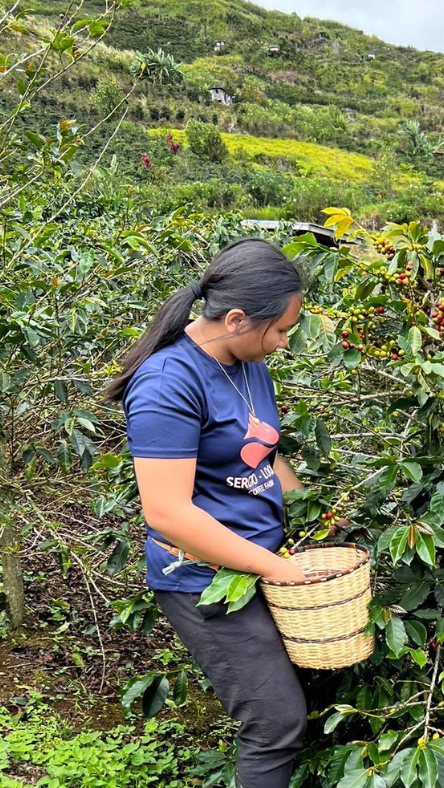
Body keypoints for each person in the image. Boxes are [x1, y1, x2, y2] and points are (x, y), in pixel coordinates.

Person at [105, 238, 315, 788]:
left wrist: (311, 517)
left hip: (260, 562)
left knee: (297, 697)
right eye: (280, 330)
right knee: (275, 722)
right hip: (204, 579)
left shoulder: (248, 363)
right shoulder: (168, 382)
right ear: (239, 318)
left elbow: (262, 448)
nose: (284, 343)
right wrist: (274, 568)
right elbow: (168, 514)